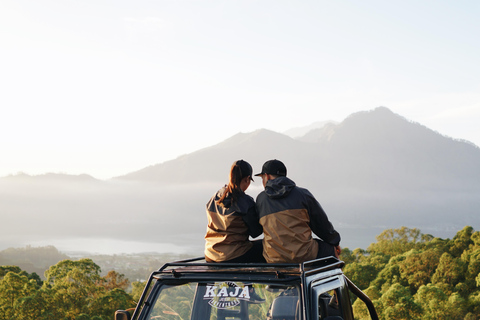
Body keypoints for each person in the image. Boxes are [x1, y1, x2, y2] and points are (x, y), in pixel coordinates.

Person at [255, 159, 341, 263]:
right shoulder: (303, 194)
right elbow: (321, 224)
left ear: (267, 176)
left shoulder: (261, 199)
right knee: (331, 251)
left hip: (274, 258)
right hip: (305, 255)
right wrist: (335, 242)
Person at [204, 160, 265, 263]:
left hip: (210, 255)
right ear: (247, 179)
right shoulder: (245, 202)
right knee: (267, 246)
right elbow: (256, 232)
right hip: (233, 256)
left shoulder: (215, 197)